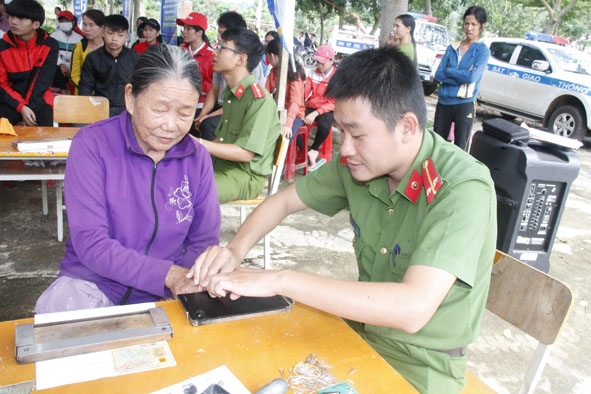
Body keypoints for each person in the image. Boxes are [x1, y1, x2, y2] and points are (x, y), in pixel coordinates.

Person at [188, 46, 497, 394]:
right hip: (359, 335)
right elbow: (282, 201)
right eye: (341, 131)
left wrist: (279, 280)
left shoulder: (461, 188)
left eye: (358, 134)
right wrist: (235, 251)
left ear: (407, 127)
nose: (345, 148)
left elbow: (413, 308)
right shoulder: (363, 165)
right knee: (236, 360)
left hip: (421, 366)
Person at [35, 44, 221, 313]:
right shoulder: (93, 145)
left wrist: (184, 280)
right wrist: (167, 275)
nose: (171, 126)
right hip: (96, 282)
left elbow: (203, 241)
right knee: (57, 324)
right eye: (159, 109)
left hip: (170, 290)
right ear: (131, 98)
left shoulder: (196, 158)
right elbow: (91, 242)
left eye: (184, 113)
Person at [199, 27, 281, 204]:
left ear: (241, 58)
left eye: (222, 48)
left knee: (191, 192)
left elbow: (245, 154)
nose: (215, 53)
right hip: (221, 165)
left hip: (246, 176)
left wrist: (198, 144)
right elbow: (222, 141)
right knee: (171, 177)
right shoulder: (232, 94)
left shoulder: (259, 100)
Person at [194, 11, 265, 141]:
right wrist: (203, 114)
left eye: (223, 34)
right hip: (222, 105)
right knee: (193, 119)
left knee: (208, 125)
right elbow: (214, 89)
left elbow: (237, 105)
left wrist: (203, 144)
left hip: (237, 110)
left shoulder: (250, 67)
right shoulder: (222, 61)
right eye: (219, 33)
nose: (219, 37)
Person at [434, 6, 490, 150]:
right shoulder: (452, 47)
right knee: (438, 144)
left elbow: (471, 77)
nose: (469, 28)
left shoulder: (482, 51)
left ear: (481, 26)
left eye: (474, 24)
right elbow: (439, 74)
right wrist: (460, 75)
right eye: (466, 23)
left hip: (465, 104)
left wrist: (450, 71)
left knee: (461, 147)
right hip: (445, 101)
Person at [0, 0, 58, 126]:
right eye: (11, 16)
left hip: (40, 99)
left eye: (20, 18)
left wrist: (29, 108)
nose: (13, 21)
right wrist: (21, 107)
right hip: (10, 101)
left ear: (36, 24)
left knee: (45, 132)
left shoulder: (50, 45)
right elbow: (2, 84)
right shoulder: (2, 46)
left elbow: (42, 82)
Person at [79, 14, 140, 117]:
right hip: (100, 108)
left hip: (127, 109)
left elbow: (142, 86)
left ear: (126, 36)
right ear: (103, 32)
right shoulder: (92, 58)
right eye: (110, 33)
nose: (114, 39)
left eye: (120, 35)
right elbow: (85, 86)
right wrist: (86, 109)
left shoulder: (136, 58)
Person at [303, 44, 337, 170]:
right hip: (312, 105)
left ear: (331, 61)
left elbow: (334, 102)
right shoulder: (312, 72)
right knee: (296, 123)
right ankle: (308, 152)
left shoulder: (337, 76)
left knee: (324, 125)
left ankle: (314, 149)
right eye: (317, 62)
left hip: (328, 108)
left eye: (322, 63)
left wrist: (316, 113)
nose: (319, 65)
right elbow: (305, 93)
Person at [265, 38, 305, 139]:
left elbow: (295, 103)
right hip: (277, 110)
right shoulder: (273, 72)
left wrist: (288, 124)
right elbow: (264, 93)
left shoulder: (294, 75)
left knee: (283, 138)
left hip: (295, 114)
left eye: (268, 56)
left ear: (272, 56)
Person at [176, 12, 214, 113]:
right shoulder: (180, 51)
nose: (184, 32)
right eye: (184, 28)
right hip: (178, 100)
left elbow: (214, 86)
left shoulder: (212, 56)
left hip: (201, 103)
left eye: (188, 29)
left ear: (199, 32)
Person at [69, 9, 105, 95]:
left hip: (106, 96)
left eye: (91, 25)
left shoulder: (110, 47)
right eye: (84, 24)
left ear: (102, 28)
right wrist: (88, 89)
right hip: (83, 96)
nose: (87, 29)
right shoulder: (79, 47)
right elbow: (74, 75)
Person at [50, 10, 82, 94]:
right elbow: (52, 54)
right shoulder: (53, 37)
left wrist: (70, 66)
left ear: (73, 22)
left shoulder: (79, 39)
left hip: (73, 66)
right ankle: (62, 92)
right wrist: (61, 64)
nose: (64, 23)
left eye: (66, 20)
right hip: (58, 67)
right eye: (61, 20)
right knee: (55, 69)